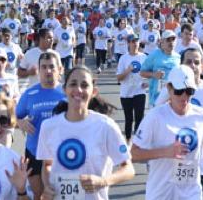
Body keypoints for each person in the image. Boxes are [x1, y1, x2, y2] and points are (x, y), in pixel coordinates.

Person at [37, 66, 135, 200]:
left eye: (84, 85)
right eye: (73, 84)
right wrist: (48, 186)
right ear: (64, 89)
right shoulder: (48, 126)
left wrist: (103, 181)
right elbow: (47, 165)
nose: (78, 90)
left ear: (93, 92)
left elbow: (128, 169)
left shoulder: (105, 126)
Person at [131, 65, 203, 200]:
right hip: (160, 193)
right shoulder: (155, 117)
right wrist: (165, 152)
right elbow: (133, 154)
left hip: (191, 193)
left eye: (189, 91)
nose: (184, 96)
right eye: (179, 91)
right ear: (169, 89)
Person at [155, 48, 203, 200]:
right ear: (181, 65)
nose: (193, 65)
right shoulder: (171, 89)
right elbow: (156, 114)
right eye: (188, 62)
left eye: (197, 62)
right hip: (179, 164)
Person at [16, 52, 67, 199]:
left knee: (58, 194)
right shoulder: (30, 94)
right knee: (38, 195)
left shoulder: (67, 92)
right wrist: (20, 122)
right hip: (34, 151)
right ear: (39, 70)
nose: (48, 71)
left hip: (60, 152)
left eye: (52, 67)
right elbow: (13, 117)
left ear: (60, 69)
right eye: (43, 67)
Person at [116, 34, 148, 142]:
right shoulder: (123, 58)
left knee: (139, 118)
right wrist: (128, 70)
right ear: (128, 43)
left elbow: (149, 73)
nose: (135, 44)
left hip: (140, 92)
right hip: (126, 93)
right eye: (132, 41)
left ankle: (137, 142)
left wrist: (147, 82)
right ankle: (128, 140)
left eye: (136, 41)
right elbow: (119, 78)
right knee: (129, 119)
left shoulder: (144, 57)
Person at [140, 30, 181, 107]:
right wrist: (154, 74)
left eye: (173, 39)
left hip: (172, 99)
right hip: (156, 98)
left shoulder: (178, 57)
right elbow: (142, 72)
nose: (171, 42)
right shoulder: (154, 54)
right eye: (168, 40)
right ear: (162, 42)